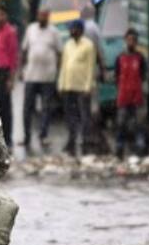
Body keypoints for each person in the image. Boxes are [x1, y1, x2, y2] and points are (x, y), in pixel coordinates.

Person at [21, 9, 63, 150]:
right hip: (31, 75)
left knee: (46, 107)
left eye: (44, 16)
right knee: (27, 108)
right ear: (37, 16)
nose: (42, 18)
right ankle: (26, 137)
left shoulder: (54, 32)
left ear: (48, 17)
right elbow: (24, 50)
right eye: (40, 15)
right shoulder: (31, 29)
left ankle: (43, 135)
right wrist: (21, 69)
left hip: (48, 77)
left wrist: (58, 71)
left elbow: (59, 53)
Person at [58, 20, 97, 156]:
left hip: (82, 87)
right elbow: (64, 66)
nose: (71, 31)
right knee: (70, 116)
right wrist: (61, 84)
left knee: (84, 116)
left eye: (73, 29)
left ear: (79, 30)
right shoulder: (68, 45)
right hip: (69, 85)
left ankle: (86, 141)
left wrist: (88, 86)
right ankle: (71, 141)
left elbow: (91, 67)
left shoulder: (88, 45)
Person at [113, 29, 147, 158]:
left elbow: (143, 75)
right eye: (129, 40)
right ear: (125, 41)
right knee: (121, 123)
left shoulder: (140, 58)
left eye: (133, 40)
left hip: (137, 96)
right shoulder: (120, 58)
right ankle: (119, 147)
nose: (130, 42)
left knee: (139, 123)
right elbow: (116, 76)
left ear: (136, 42)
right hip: (123, 96)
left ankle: (140, 146)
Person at [0, 6, 19, 147]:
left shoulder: (10, 32)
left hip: (5, 72)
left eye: (1, 15)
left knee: (6, 107)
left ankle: (8, 138)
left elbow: (13, 56)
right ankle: (0, 137)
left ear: (6, 16)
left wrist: (11, 78)